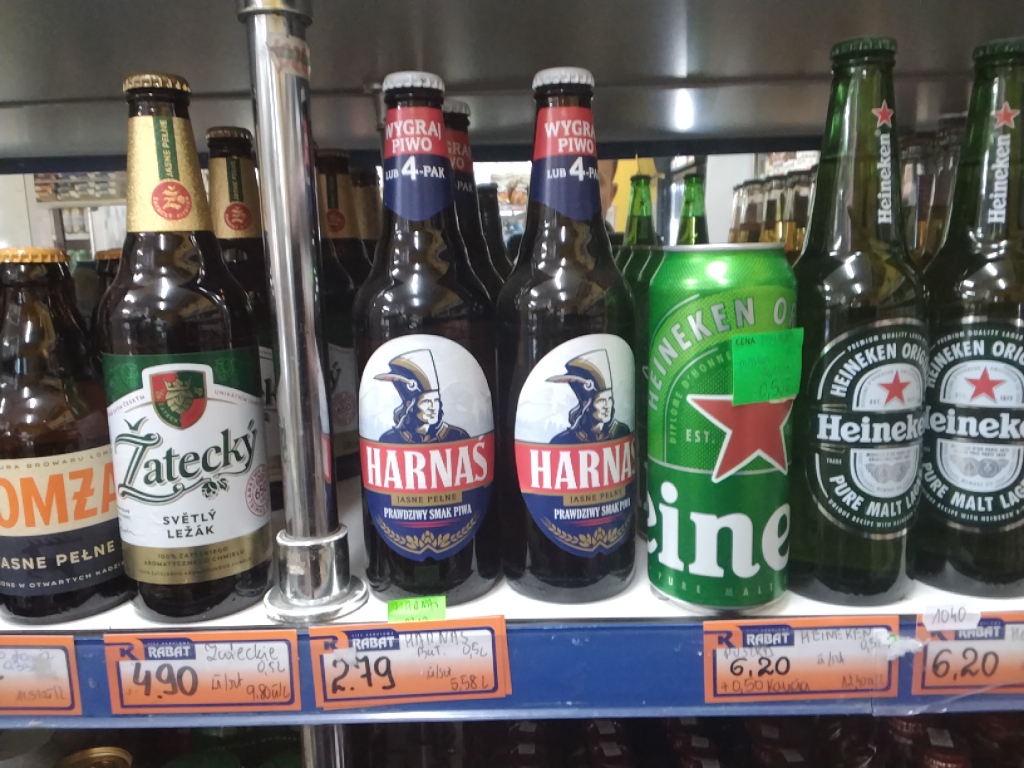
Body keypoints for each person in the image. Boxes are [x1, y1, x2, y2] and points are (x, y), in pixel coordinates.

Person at [374, 349, 471, 444]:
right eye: (426, 402)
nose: (433, 407)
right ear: (410, 405)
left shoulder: (458, 435)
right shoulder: (389, 438)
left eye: (436, 400)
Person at [548, 350, 631, 444]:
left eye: (610, 399)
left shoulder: (621, 431)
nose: (607, 406)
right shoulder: (562, 440)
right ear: (586, 405)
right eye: (601, 400)